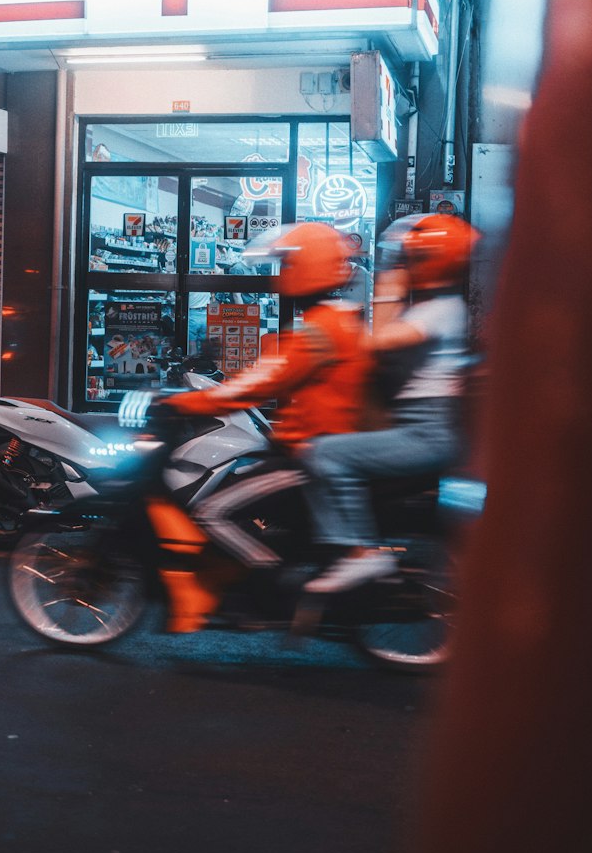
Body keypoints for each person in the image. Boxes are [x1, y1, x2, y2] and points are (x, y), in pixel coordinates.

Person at [149, 221, 373, 626]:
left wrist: (189, 403)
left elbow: (262, 381)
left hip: (305, 456)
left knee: (212, 512)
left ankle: (267, 588)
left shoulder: (320, 331)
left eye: (287, 264)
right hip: (311, 449)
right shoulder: (338, 321)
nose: (282, 274)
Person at [302, 213, 479, 594]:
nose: (403, 265)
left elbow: (376, 343)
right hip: (419, 428)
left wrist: (388, 283)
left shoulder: (441, 310)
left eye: (409, 259)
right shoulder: (434, 307)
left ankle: (360, 554)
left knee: (325, 454)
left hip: (425, 433)